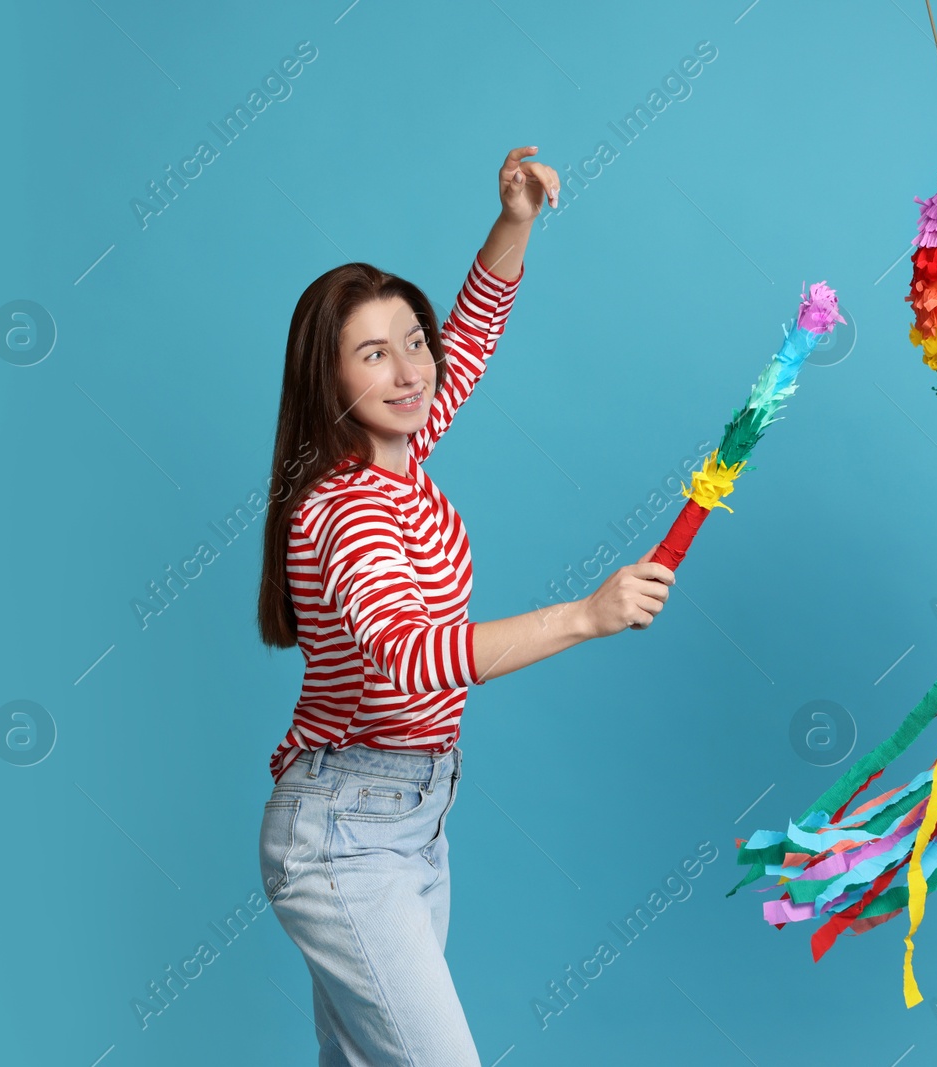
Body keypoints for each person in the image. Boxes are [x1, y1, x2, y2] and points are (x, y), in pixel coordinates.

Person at [253, 146, 675, 1066]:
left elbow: (470, 341)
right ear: (328, 381)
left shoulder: (398, 456)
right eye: (374, 353)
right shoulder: (345, 507)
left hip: (410, 817)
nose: (408, 370)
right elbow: (406, 654)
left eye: (414, 340)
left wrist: (516, 218)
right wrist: (584, 615)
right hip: (345, 833)